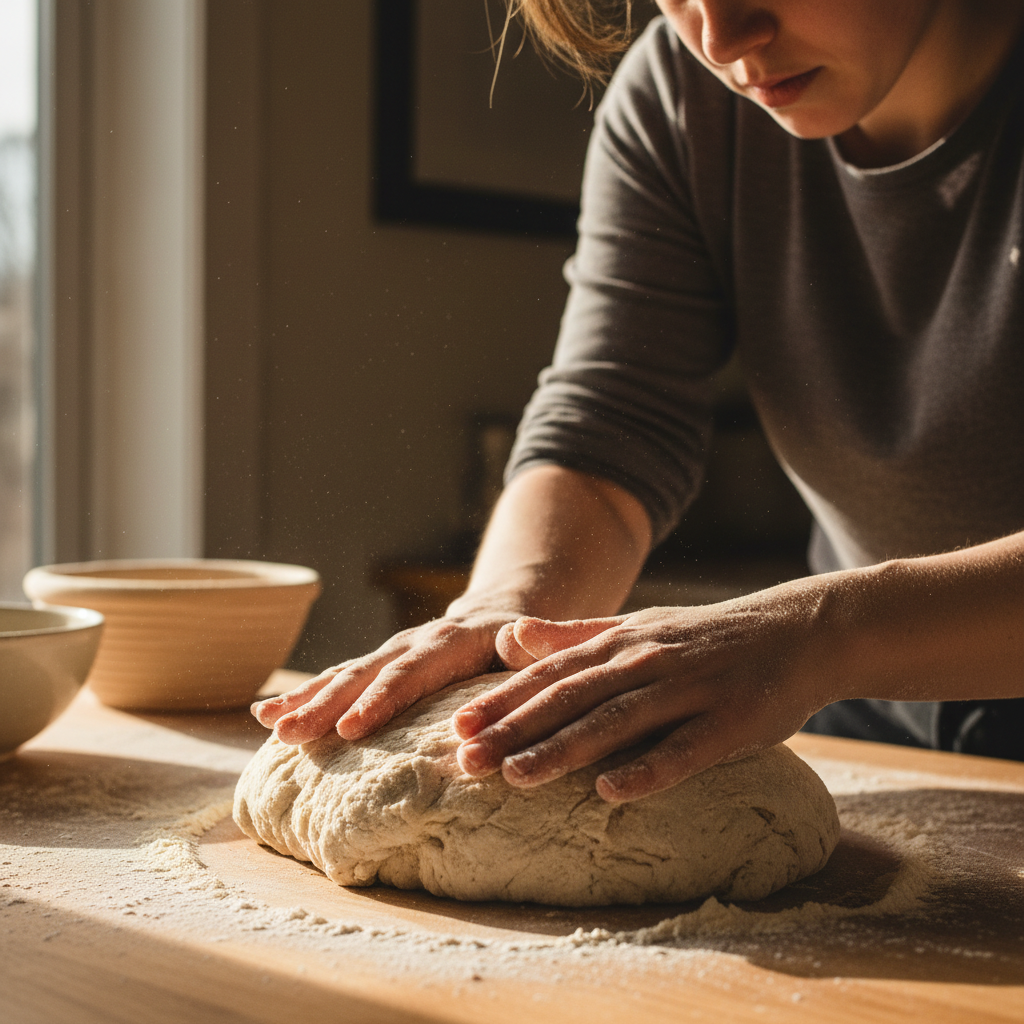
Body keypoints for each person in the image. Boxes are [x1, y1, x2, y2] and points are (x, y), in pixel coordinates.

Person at [253, 0, 1024, 802]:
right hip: (874, 711)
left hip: (847, 657)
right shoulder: (682, 92)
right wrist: (508, 615)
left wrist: (815, 635)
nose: (721, 40)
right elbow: (613, 421)